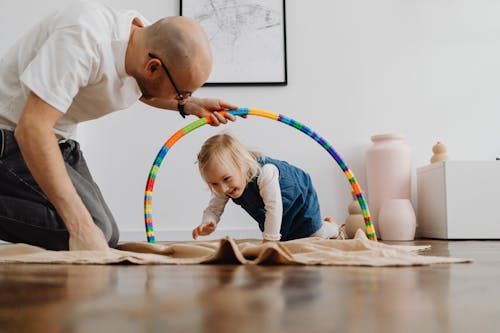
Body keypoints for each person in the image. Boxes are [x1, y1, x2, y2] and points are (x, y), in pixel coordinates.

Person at [0, 1, 238, 251]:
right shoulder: (81, 39)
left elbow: (142, 89)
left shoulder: (143, 43)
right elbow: (32, 129)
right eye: (180, 94)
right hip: (13, 137)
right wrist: (80, 228)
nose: (180, 99)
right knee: (88, 229)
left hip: (57, 140)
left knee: (107, 234)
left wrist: (189, 105)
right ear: (153, 67)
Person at [192, 133, 343, 242]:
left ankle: (332, 228)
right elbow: (214, 209)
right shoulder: (225, 183)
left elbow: (274, 207)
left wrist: (269, 241)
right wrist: (208, 222)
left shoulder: (266, 173)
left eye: (226, 179)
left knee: (313, 234)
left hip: (299, 198)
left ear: (243, 165)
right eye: (214, 184)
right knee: (287, 238)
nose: (223, 188)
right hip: (275, 209)